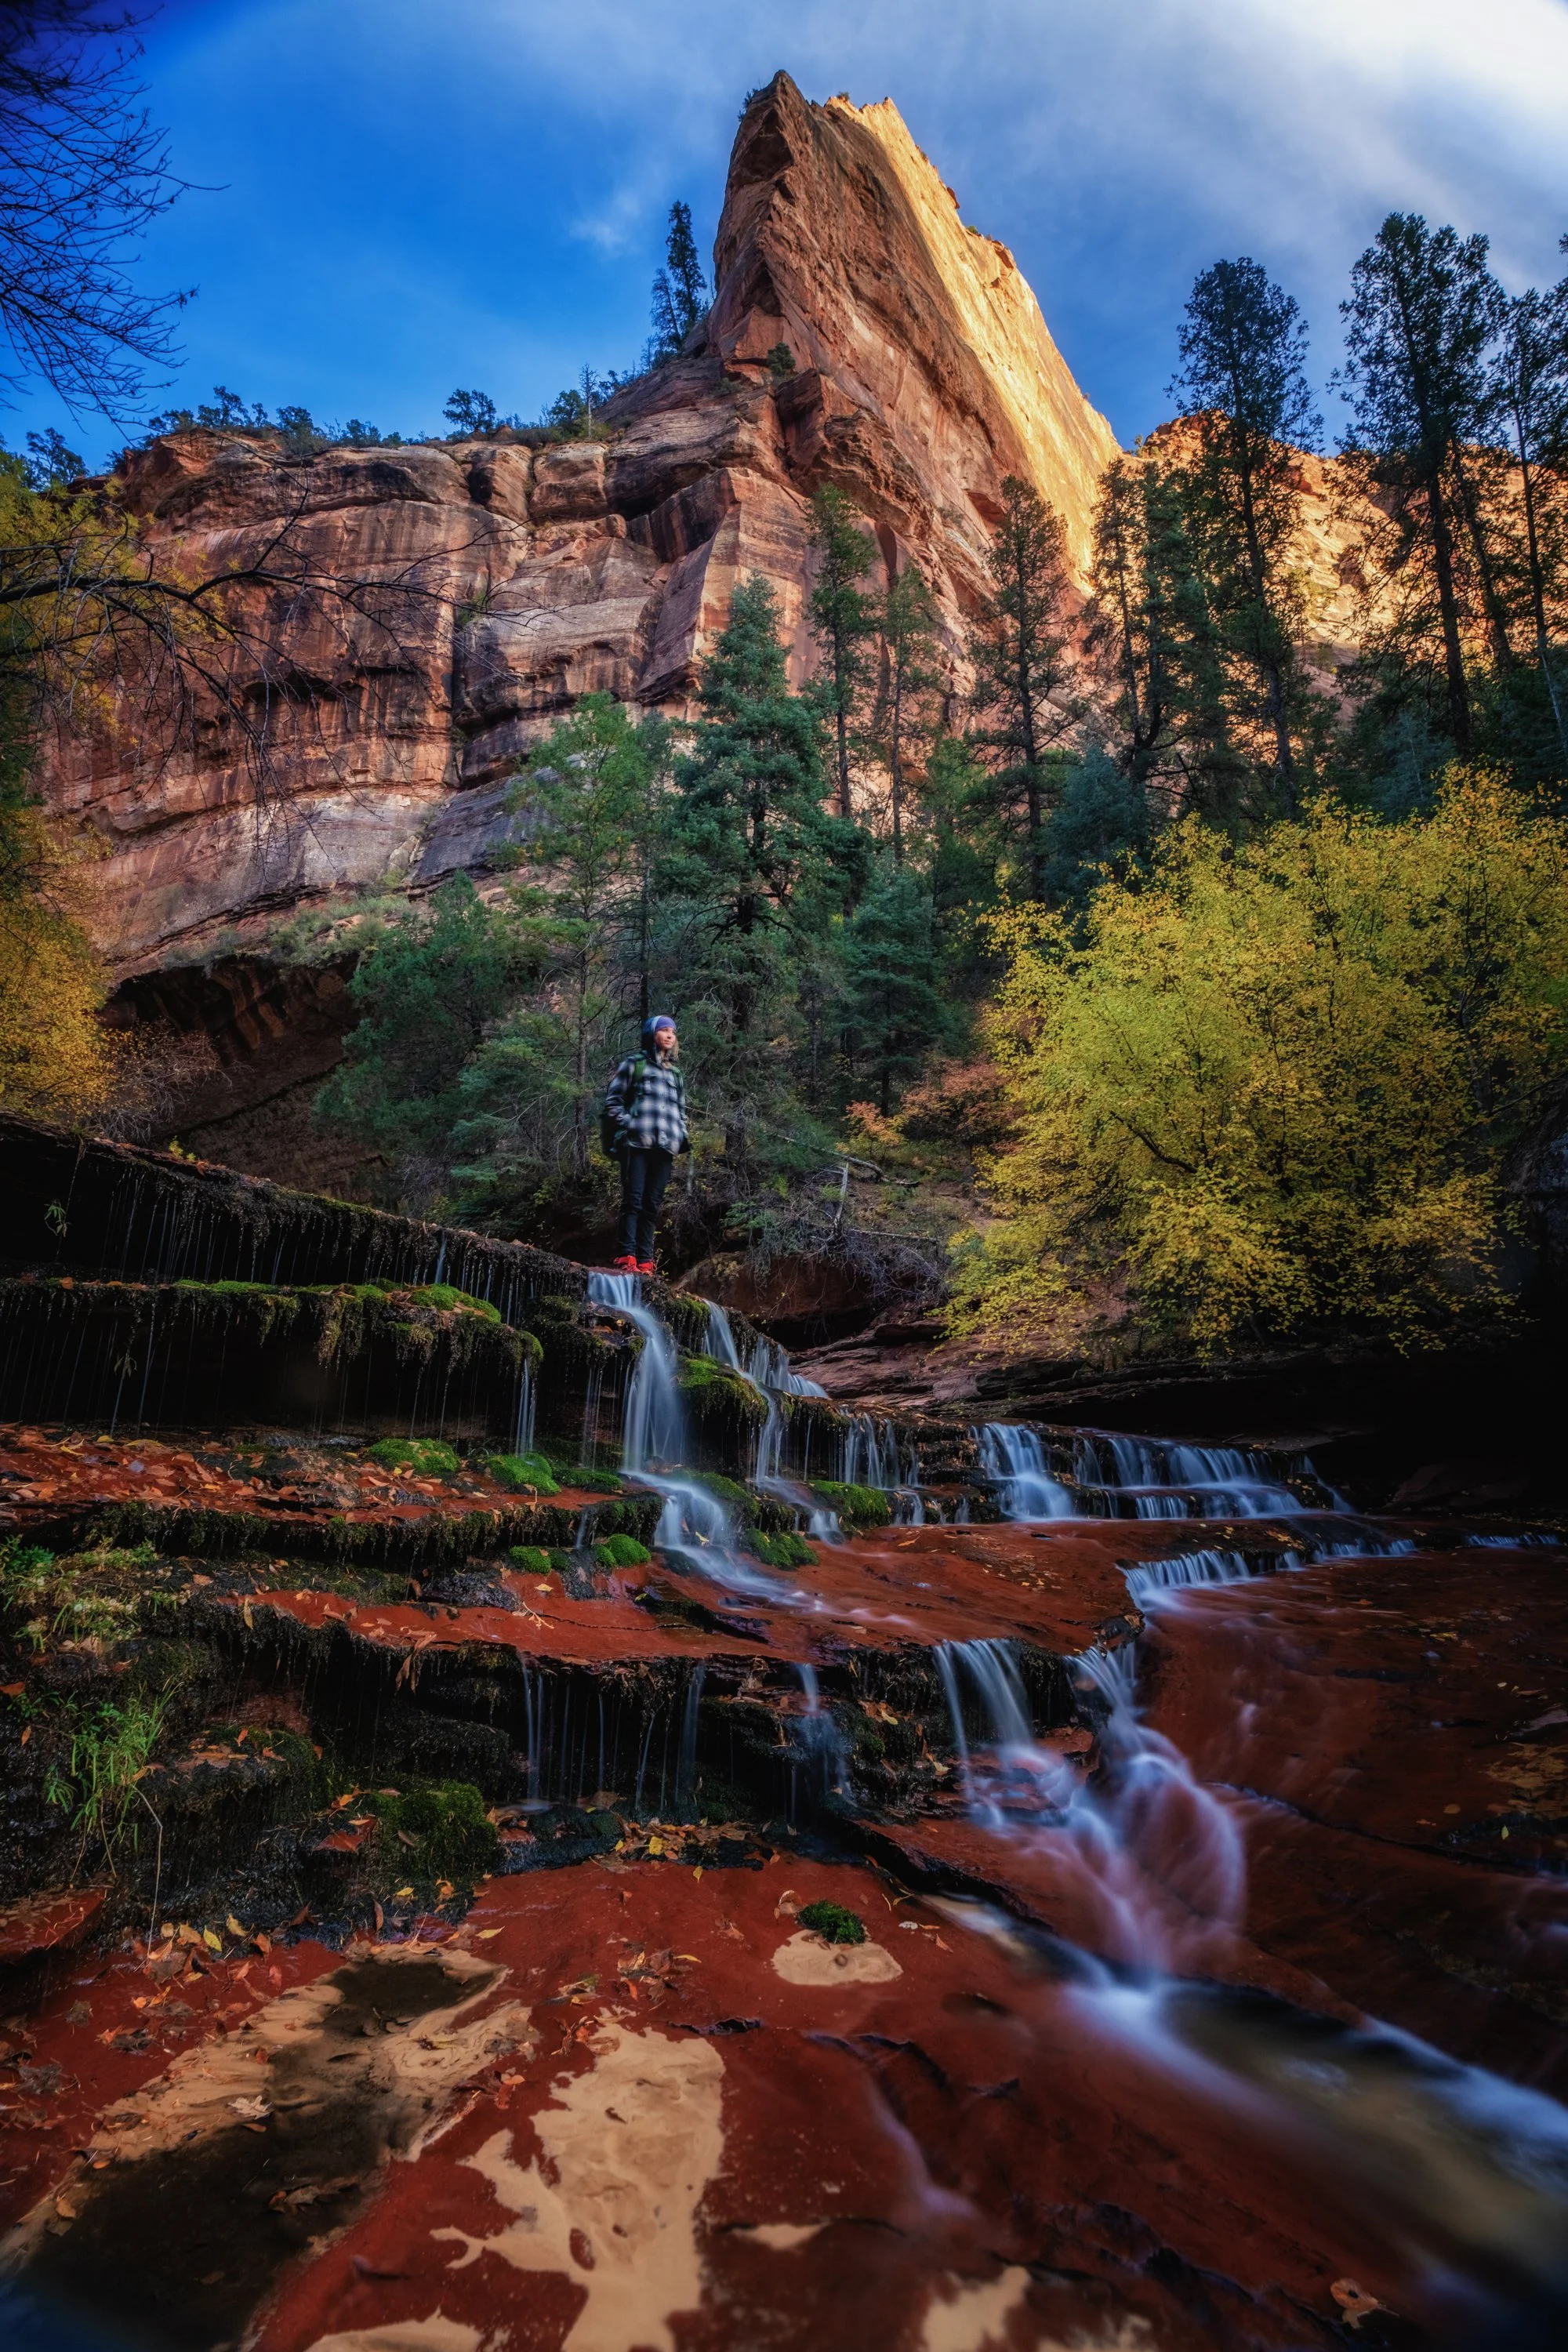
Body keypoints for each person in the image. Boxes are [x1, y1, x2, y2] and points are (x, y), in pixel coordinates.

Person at [604, 1014, 689, 1275]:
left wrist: (681, 1132)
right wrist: (631, 1122)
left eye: (673, 1032)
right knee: (634, 1200)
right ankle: (626, 1255)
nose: (669, 1035)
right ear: (651, 1034)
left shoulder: (675, 1074)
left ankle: (645, 1260)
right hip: (636, 1144)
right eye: (664, 1030)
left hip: (665, 1147)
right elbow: (612, 1102)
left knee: (652, 1205)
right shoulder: (634, 1065)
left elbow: (681, 1109)